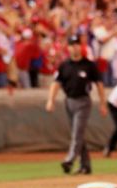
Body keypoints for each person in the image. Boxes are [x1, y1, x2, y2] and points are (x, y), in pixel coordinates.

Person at [45, 34, 108, 174]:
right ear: (68, 48)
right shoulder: (64, 65)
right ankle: (85, 165)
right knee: (78, 134)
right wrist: (51, 100)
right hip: (68, 101)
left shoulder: (89, 65)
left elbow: (99, 85)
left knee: (77, 132)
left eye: (77, 44)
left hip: (83, 102)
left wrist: (103, 103)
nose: (74, 47)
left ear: (81, 46)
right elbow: (56, 84)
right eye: (72, 45)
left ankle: (70, 159)